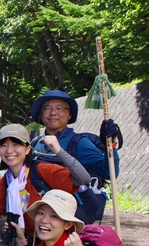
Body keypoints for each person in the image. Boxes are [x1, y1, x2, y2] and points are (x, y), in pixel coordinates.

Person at [29, 90, 121, 224]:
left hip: (71, 218)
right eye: (47, 108)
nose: (53, 112)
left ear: (69, 115)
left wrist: (110, 144)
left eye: (59, 108)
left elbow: (108, 172)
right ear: (41, 115)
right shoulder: (35, 143)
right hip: (40, 216)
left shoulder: (79, 143)